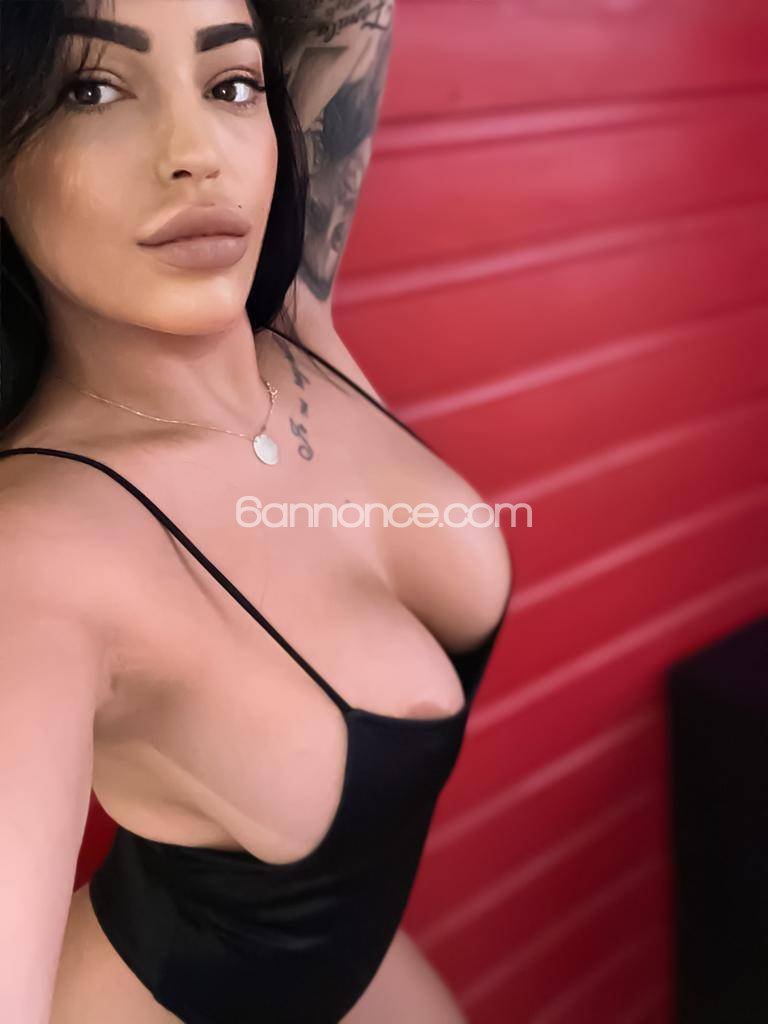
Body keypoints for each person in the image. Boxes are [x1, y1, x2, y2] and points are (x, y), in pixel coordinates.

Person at [0, 1, 513, 1022]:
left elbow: (350, 15)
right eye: (91, 89)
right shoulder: (35, 557)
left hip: (354, 974)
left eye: (232, 84)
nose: (198, 153)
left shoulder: (294, 323)